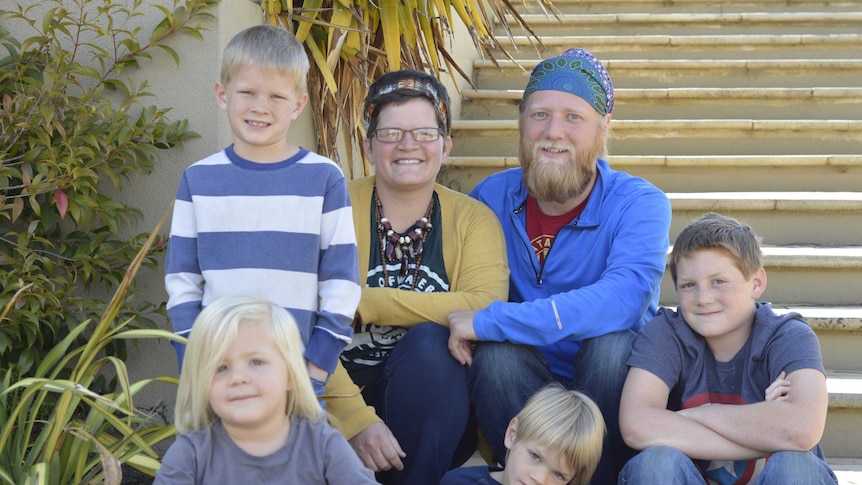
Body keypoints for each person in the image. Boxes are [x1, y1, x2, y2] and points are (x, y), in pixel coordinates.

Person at [446, 47, 672, 484]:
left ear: (603, 128)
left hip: (607, 386)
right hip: (523, 389)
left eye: (574, 117)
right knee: (497, 357)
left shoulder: (639, 203)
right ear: (521, 123)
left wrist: (494, 319)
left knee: (612, 348)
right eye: (539, 115)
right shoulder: (488, 198)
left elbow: (624, 299)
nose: (553, 132)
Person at [324, 69, 510, 485]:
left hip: (434, 409)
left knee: (430, 345)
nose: (408, 145)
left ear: (446, 147)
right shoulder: (331, 208)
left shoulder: (473, 219)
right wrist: (355, 419)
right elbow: (302, 321)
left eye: (425, 132)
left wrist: (360, 300)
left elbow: (486, 306)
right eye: (390, 133)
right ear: (369, 145)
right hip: (330, 400)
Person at [164, 25, 361, 402]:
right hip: (217, 376)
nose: (260, 107)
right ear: (222, 95)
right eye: (247, 93)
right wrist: (193, 363)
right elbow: (183, 282)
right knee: (217, 463)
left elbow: (342, 285)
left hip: (296, 377)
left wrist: (316, 367)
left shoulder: (324, 179)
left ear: (298, 104)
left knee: (297, 463)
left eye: (276, 96)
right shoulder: (199, 179)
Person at [617, 212, 837, 485]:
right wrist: (765, 426)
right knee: (655, 465)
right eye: (688, 285)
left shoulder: (788, 336)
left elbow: (802, 429)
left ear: (756, 283)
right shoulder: (666, 333)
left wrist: (694, 416)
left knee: (795, 465)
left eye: (718, 281)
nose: (704, 299)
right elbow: (637, 425)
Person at [153, 296, 378, 484]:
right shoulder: (190, 453)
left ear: (291, 374)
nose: (238, 378)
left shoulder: (322, 445)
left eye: (256, 362)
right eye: (220, 367)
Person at [442, 383, 605, 485]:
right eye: (535, 456)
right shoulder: (458, 482)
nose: (540, 479)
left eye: (559, 475)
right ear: (512, 434)